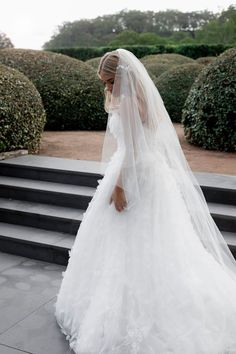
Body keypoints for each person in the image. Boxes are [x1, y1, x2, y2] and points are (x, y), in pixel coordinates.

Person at [54, 48, 236, 354]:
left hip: (133, 175)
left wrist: (120, 186)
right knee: (161, 241)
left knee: (131, 241)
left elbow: (133, 150)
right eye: (105, 83)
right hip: (151, 174)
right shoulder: (141, 101)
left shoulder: (127, 104)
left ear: (122, 77)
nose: (107, 88)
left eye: (110, 81)